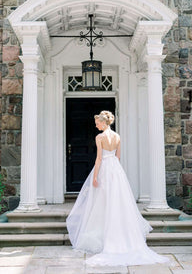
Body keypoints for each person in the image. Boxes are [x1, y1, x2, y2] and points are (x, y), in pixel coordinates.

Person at [66, 110, 170, 267]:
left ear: (103, 122)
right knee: (118, 199)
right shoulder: (117, 137)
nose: (96, 125)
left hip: (105, 168)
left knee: (101, 200)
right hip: (116, 168)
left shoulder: (99, 137)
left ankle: (104, 234)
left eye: (97, 123)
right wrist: (114, 168)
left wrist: (95, 176)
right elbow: (118, 156)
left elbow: (99, 158)